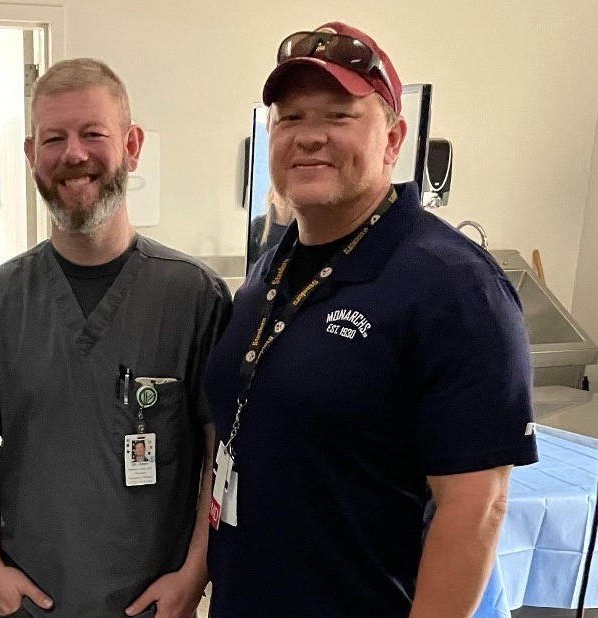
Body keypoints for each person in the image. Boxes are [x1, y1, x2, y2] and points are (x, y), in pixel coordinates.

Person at [204, 22, 538, 617]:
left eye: (338, 116)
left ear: (393, 137)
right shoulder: (270, 272)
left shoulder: (455, 289)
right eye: (289, 118)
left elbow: (475, 508)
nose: (308, 137)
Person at [0, 58, 231, 618]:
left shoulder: (194, 297)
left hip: (154, 605)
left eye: (93, 133)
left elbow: (220, 450)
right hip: (33, 604)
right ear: (30, 154)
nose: (73, 155)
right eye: (53, 138)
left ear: (131, 145)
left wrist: (195, 572)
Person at [246, 185, 293, 269]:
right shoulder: (258, 224)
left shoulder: (301, 227)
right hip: (263, 278)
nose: (282, 198)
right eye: (279, 193)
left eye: (286, 194)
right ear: (271, 198)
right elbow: (249, 260)